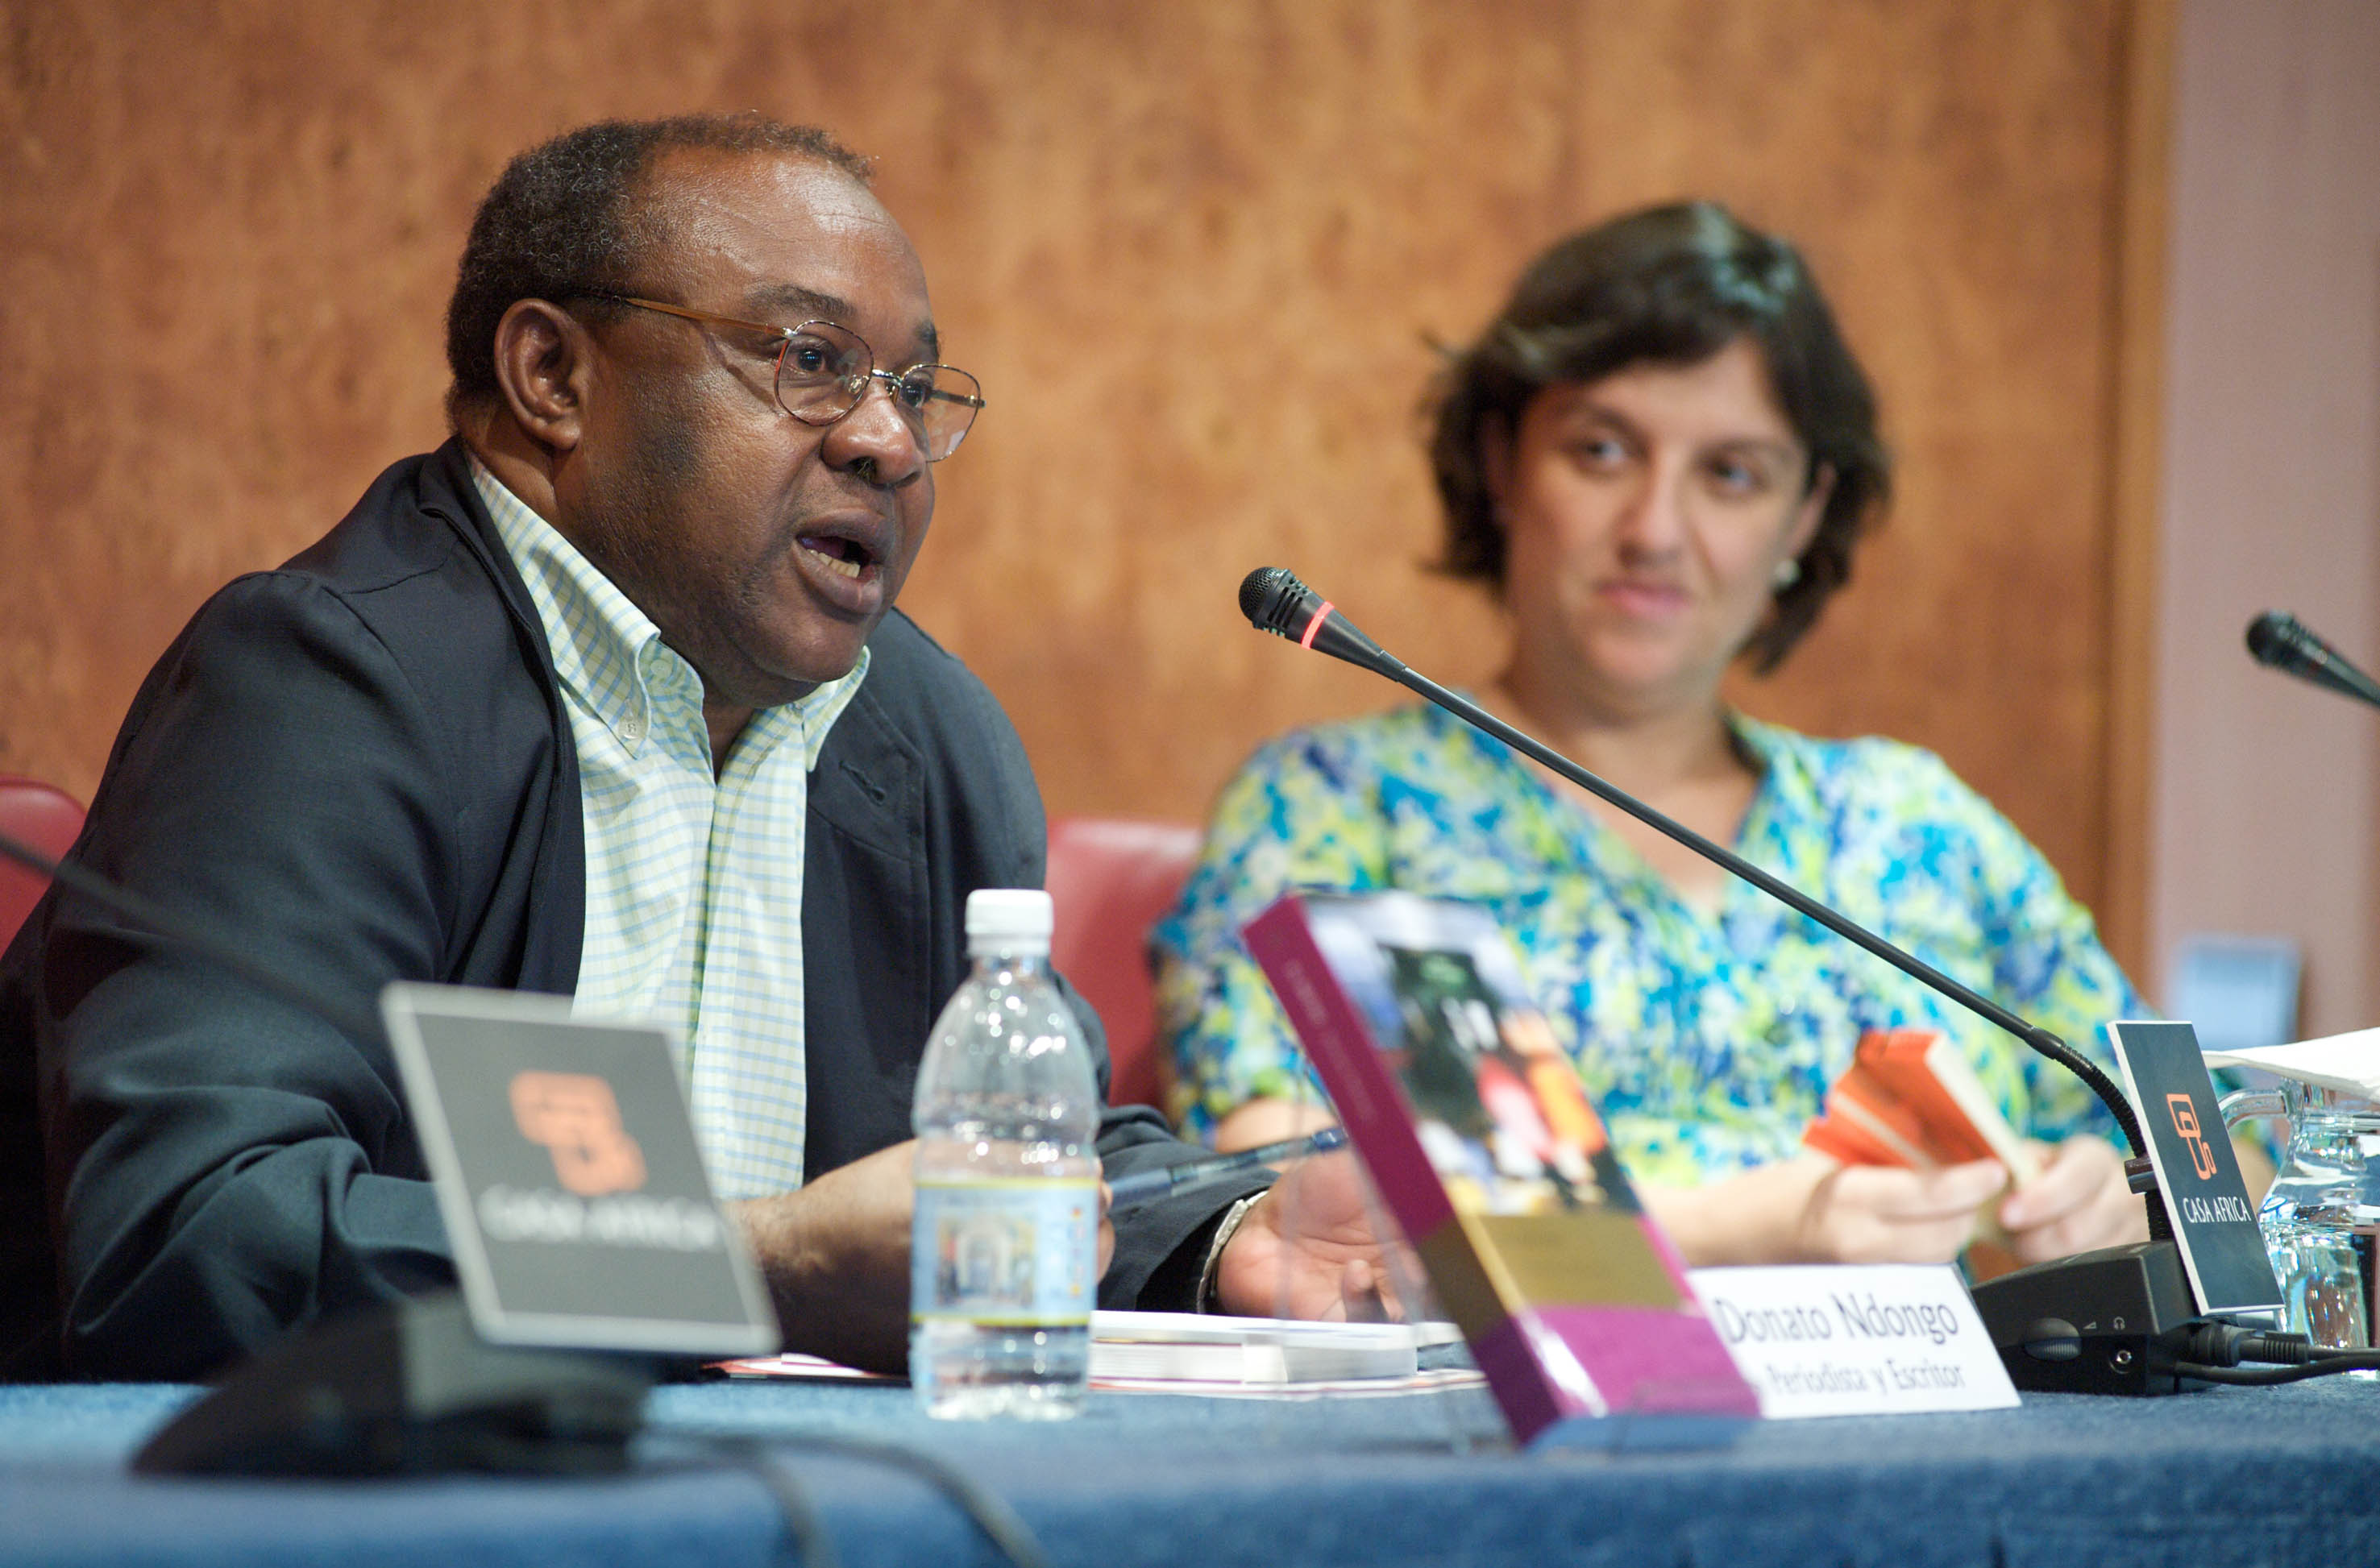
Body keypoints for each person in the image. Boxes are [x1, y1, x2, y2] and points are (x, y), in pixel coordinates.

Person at [0, 113, 1381, 1381]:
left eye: (912, 386)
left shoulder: (924, 736)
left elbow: (1037, 1153)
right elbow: (190, 1234)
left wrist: (1227, 1237)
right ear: (552, 374)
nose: (891, 443)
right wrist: (754, 1271)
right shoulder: (321, 689)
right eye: (810, 362)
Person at [1153, 201, 2150, 1271]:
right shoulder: (1340, 808)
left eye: (1729, 474)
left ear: (1804, 515)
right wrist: (1761, 1224)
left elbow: (2227, 1160)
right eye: (1601, 450)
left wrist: (2120, 1205)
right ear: (1502, 463)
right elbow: (1294, 1214)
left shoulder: (1914, 822)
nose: (1655, 531)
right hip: (1517, 1429)